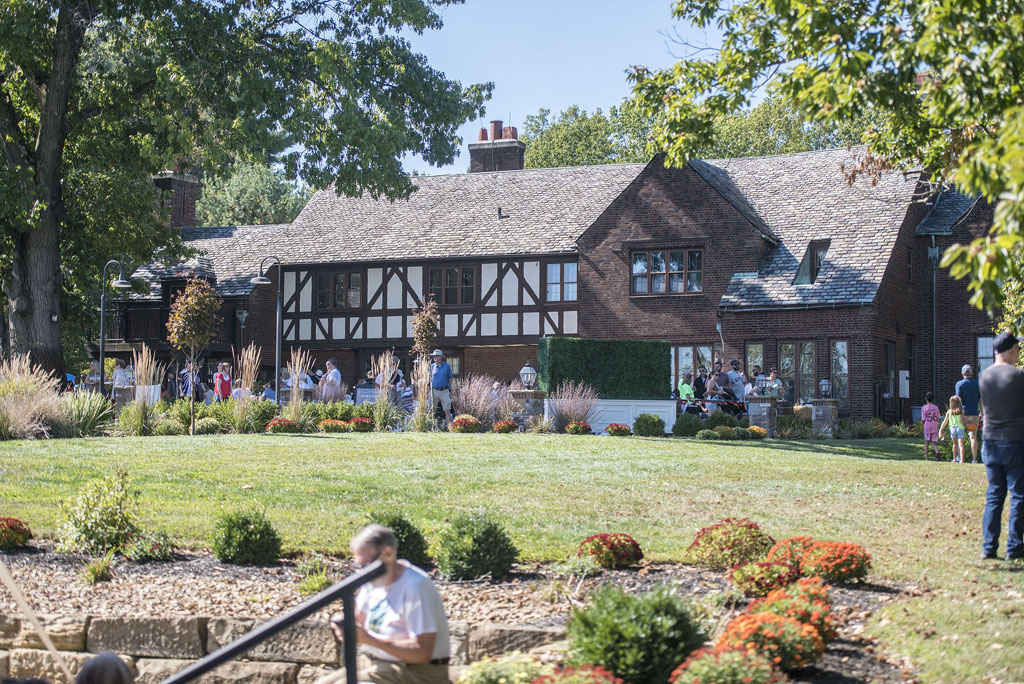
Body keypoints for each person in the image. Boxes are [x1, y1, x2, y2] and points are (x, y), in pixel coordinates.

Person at [330, 524, 450, 684]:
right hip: (378, 664)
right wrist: (344, 625)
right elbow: (359, 620)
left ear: (388, 553)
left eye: (366, 565)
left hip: (418, 672)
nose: (361, 572)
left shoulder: (416, 586)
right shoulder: (372, 581)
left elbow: (422, 653)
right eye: (358, 566)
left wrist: (369, 639)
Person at [978, 332, 1024, 561]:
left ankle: (989, 547)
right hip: (1014, 440)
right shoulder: (1018, 376)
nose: (1018, 354)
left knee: (995, 494)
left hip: (990, 441)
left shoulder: (984, 376)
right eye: (1017, 350)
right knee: (1018, 495)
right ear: (1010, 350)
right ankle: (1014, 547)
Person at [956, 364, 983, 464]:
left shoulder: (959, 384)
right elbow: (980, 399)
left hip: (963, 414)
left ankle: (959, 458)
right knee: (973, 437)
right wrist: (982, 412)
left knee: (960, 437)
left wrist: (957, 413)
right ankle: (974, 459)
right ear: (971, 373)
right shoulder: (977, 384)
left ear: (962, 373)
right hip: (974, 414)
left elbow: (959, 400)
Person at [939, 395, 967, 463]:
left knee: (954, 444)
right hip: (960, 428)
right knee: (961, 445)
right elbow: (962, 421)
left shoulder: (949, 412)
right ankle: (962, 460)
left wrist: (940, 430)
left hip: (952, 429)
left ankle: (954, 459)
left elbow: (945, 421)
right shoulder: (962, 411)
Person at [429, 349, 453, 428]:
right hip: (434, 391)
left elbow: (450, 378)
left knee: (447, 410)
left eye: (436, 356)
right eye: (433, 356)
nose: (434, 357)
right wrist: (428, 391)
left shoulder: (446, 366)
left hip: (445, 390)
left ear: (440, 357)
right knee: (432, 410)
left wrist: (451, 390)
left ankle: (449, 427)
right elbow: (429, 379)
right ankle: (431, 427)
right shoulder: (432, 366)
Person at [920, 392, 941, 461]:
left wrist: (921, 424)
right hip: (934, 425)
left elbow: (923, 419)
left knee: (926, 442)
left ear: (926, 399)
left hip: (927, 426)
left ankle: (926, 458)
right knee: (934, 442)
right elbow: (938, 417)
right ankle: (937, 453)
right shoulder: (936, 407)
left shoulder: (924, 407)